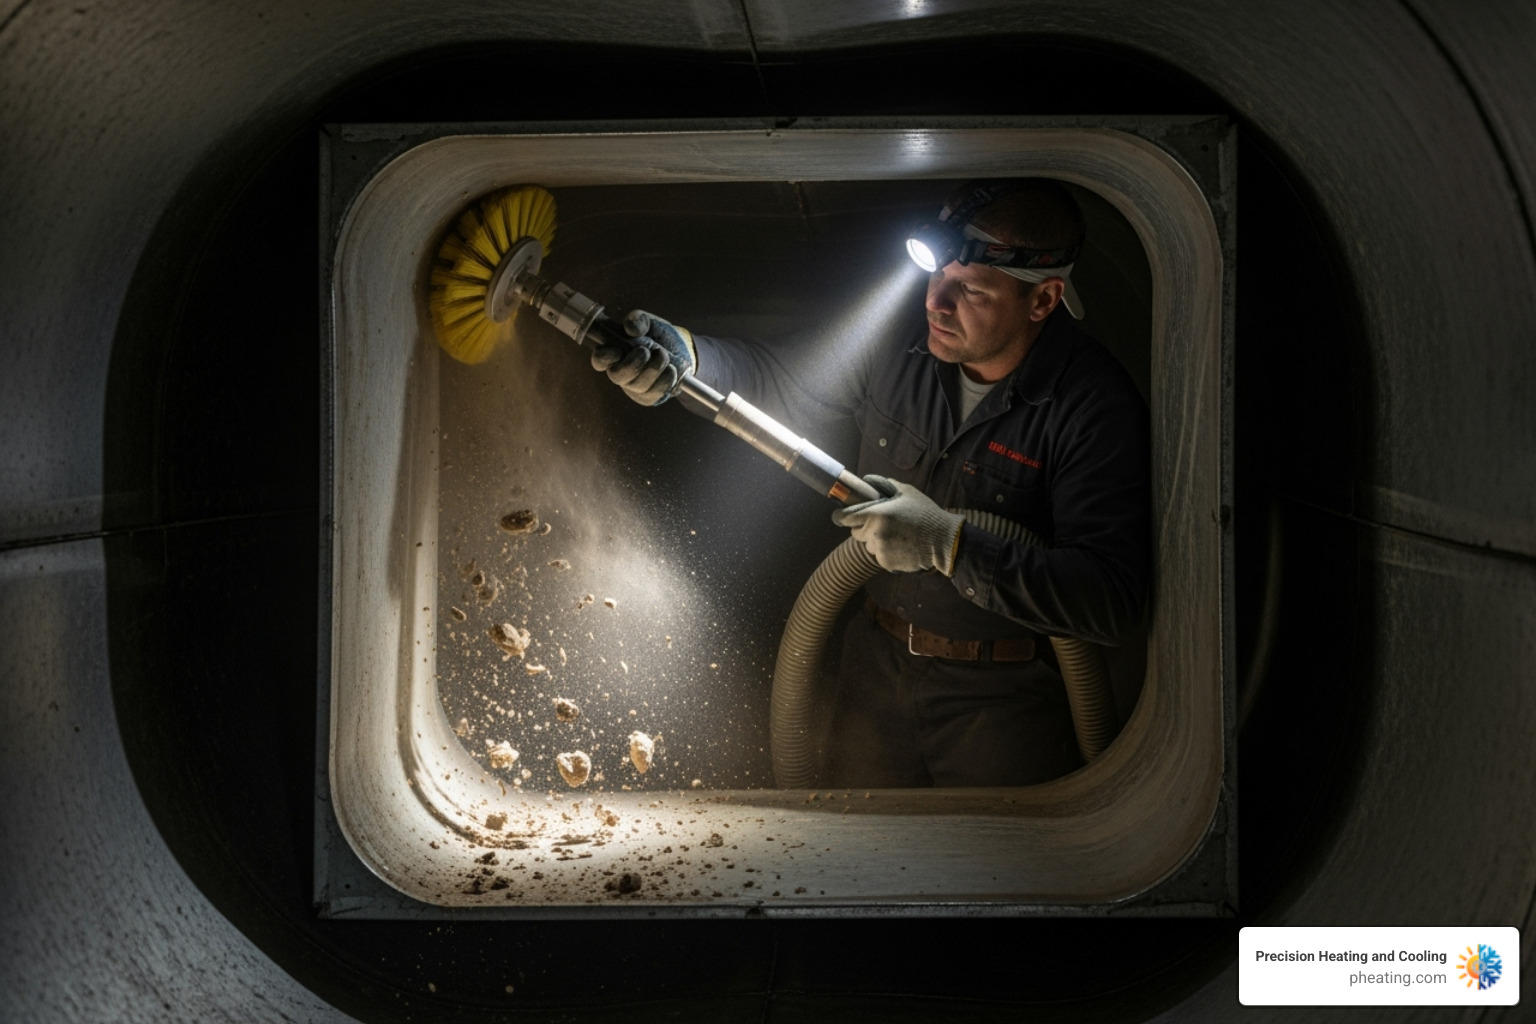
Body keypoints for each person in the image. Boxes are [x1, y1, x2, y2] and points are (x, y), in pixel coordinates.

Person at [592, 179, 1150, 787]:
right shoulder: (898, 342)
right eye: (936, 275)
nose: (937, 301)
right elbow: (782, 383)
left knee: (991, 874)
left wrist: (951, 545)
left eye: (971, 290)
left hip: (1001, 701)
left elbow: (1112, 599)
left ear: (1043, 300)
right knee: (848, 857)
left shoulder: (1092, 406)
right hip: (874, 669)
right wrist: (690, 359)